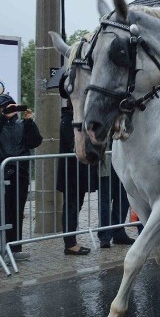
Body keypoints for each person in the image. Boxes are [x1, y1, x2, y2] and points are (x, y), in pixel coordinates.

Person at [0, 94, 42, 266]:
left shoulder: (21, 125)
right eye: (6, 108)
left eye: (12, 107)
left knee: (16, 212)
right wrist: (1, 117)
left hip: (19, 174)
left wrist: (29, 121)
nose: (10, 111)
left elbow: (35, 141)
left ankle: (14, 248)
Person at [57, 101, 99, 255]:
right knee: (71, 207)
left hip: (78, 172)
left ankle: (72, 241)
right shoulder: (68, 120)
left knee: (75, 206)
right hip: (71, 173)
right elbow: (74, 143)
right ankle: (70, 243)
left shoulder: (76, 119)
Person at [98, 161, 136, 245]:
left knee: (123, 198)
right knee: (105, 200)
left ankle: (118, 232)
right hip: (106, 163)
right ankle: (105, 235)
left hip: (122, 165)